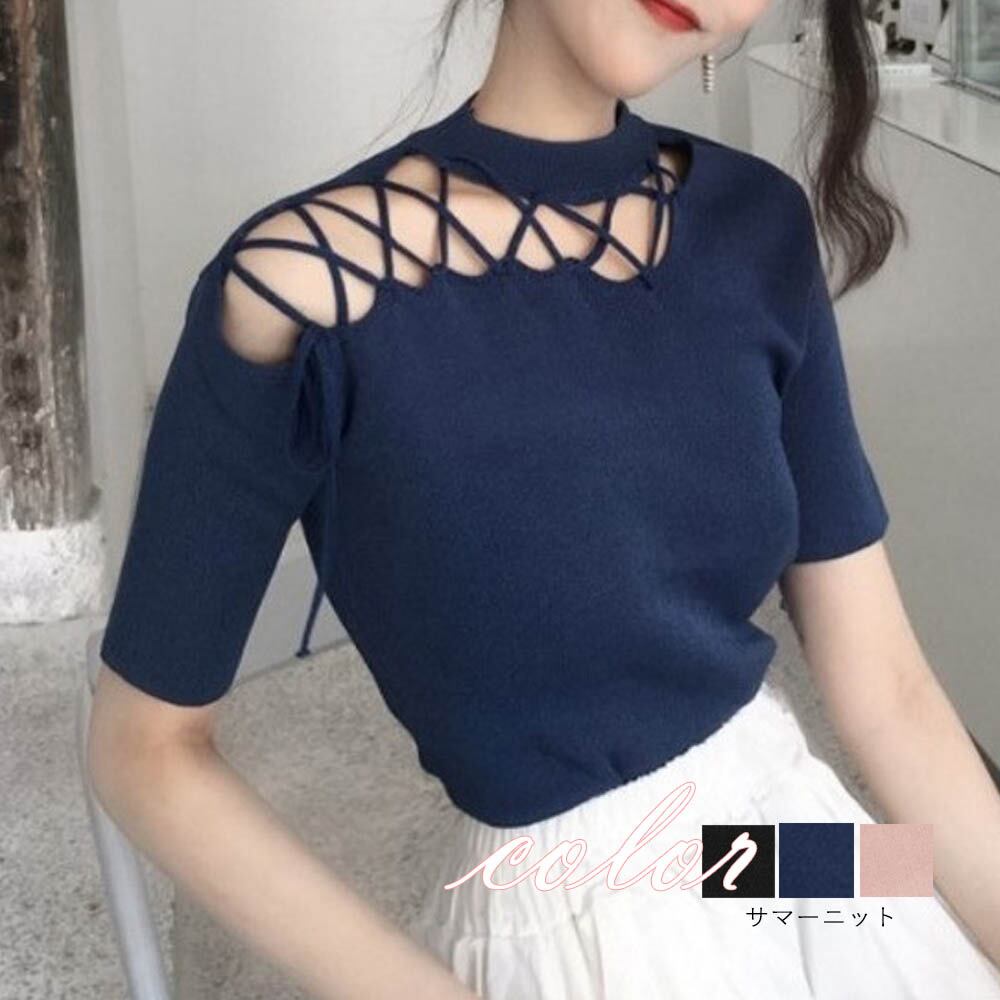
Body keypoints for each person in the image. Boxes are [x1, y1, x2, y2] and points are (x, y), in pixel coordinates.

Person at [86, 0, 1000, 997]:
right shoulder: (299, 290)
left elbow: (890, 691)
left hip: (783, 838)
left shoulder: (755, 225)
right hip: (570, 917)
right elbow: (143, 749)